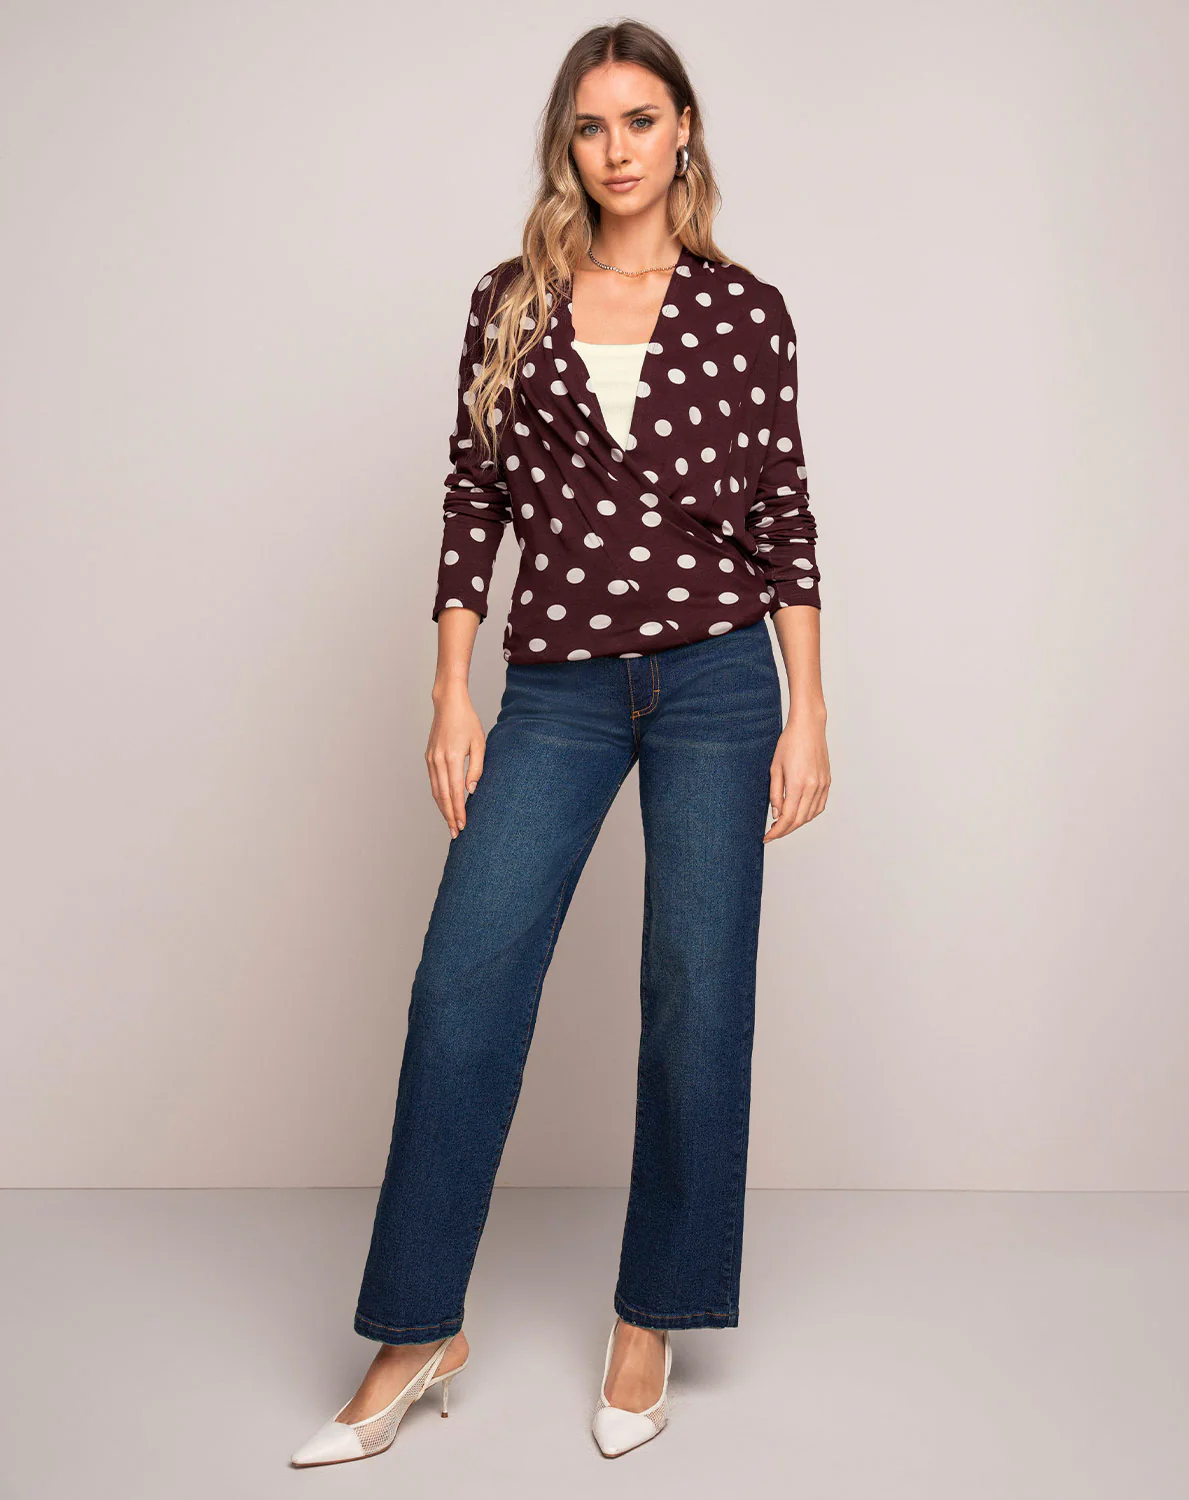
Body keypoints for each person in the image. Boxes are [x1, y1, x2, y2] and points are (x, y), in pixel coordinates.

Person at [290, 18, 830, 1468]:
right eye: (592, 127)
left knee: (697, 998)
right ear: (566, 146)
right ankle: (418, 1330)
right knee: (463, 980)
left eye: (642, 121)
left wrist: (810, 707)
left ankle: (652, 1315)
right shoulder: (511, 299)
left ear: (684, 131)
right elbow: (473, 496)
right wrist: (449, 687)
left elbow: (782, 510)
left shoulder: (746, 309)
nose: (617, 150)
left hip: (721, 683)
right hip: (561, 687)